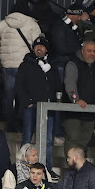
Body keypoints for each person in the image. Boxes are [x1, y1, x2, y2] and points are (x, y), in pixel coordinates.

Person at [15, 35, 62, 171]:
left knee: (47, 141)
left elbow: (57, 86)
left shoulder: (51, 67)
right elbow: (19, 86)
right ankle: (24, 168)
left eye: (42, 46)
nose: (39, 48)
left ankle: (46, 169)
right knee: (27, 139)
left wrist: (55, 102)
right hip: (31, 107)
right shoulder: (26, 64)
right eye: (37, 46)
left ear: (46, 49)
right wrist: (27, 102)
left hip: (48, 108)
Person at [63, 41, 95, 153]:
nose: (92, 54)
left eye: (94, 51)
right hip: (73, 111)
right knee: (73, 137)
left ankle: (80, 167)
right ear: (82, 51)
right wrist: (76, 99)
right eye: (89, 51)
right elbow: (70, 83)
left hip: (91, 111)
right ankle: (71, 166)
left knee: (84, 140)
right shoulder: (73, 63)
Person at [0, 1, 41, 121]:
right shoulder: (32, 24)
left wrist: (1, 61)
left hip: (7, 65)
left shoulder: (2, 24)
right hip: (25, 65)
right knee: (24, 95)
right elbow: (38, 45)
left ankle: (9, 123)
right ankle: (22, 123)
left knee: (9, 94)